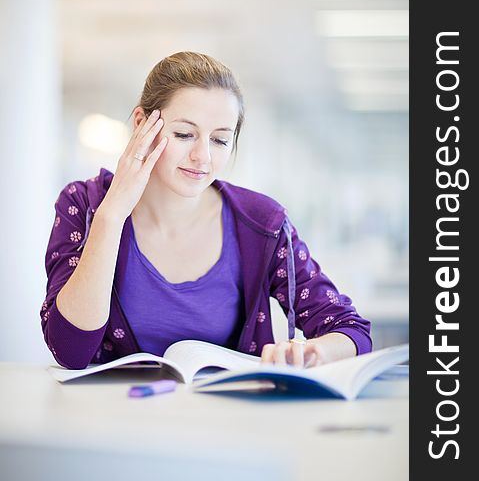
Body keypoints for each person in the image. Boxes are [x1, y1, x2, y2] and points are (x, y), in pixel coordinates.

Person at [41, 52, 372, 370]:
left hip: (224, 423)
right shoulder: (85, 204)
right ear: (141, 123)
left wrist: (312, 352)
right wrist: (112, 215)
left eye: (220, 140)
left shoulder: (261, 223)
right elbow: (70, 350)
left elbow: (351, 329)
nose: (203, 157)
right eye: (185, 134)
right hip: (111, 421)